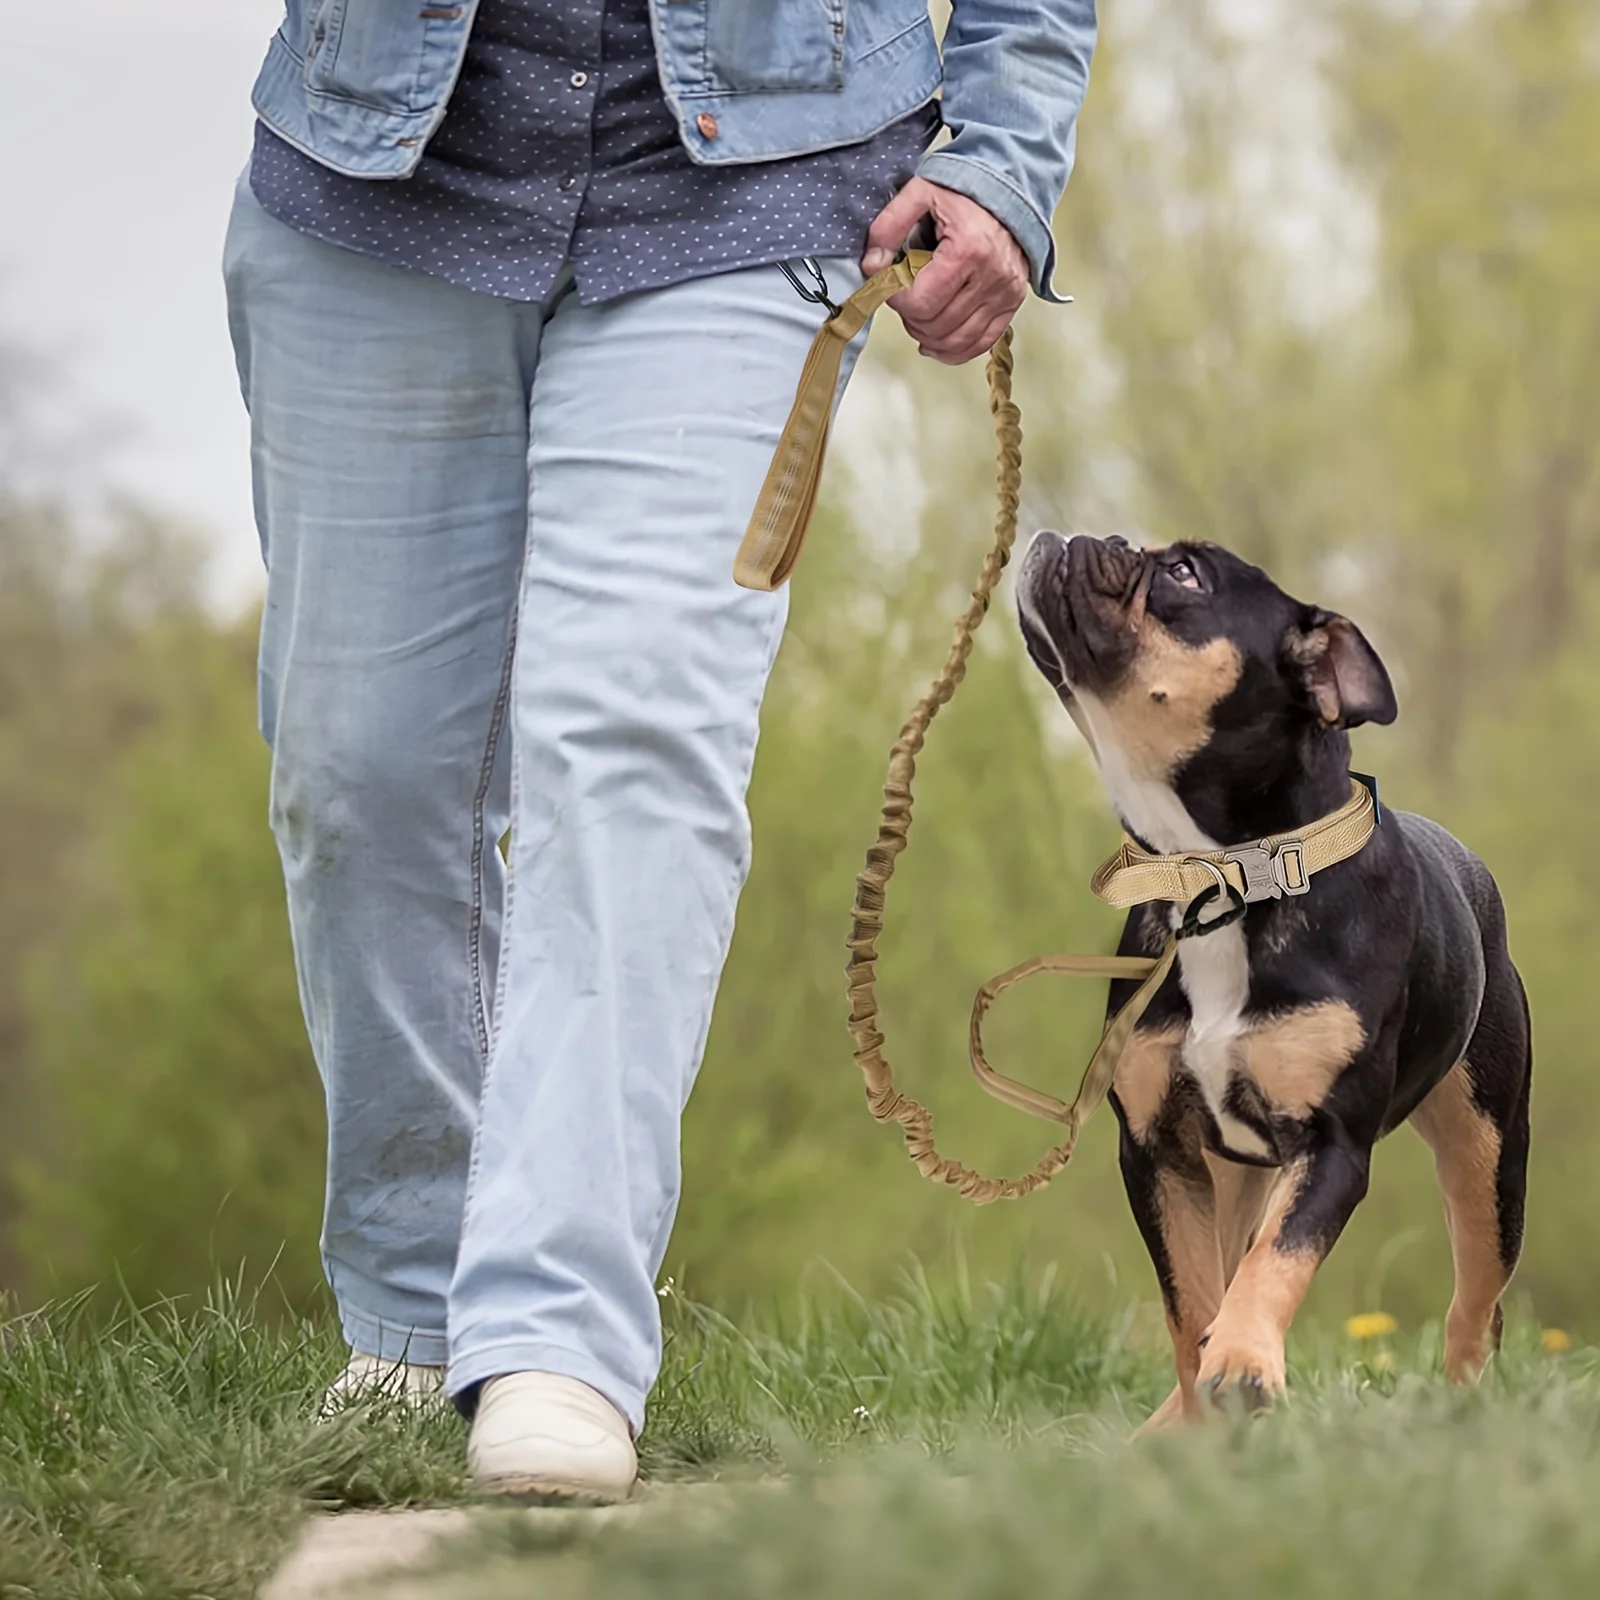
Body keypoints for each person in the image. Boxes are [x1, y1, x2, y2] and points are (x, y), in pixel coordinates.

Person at [225, 0, 1096, 1502]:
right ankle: (416, 1317)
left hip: (746, 189)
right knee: (359, 774)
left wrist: (1005, 153)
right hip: (375, 181)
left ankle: (555, 1335)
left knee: (635, 741)